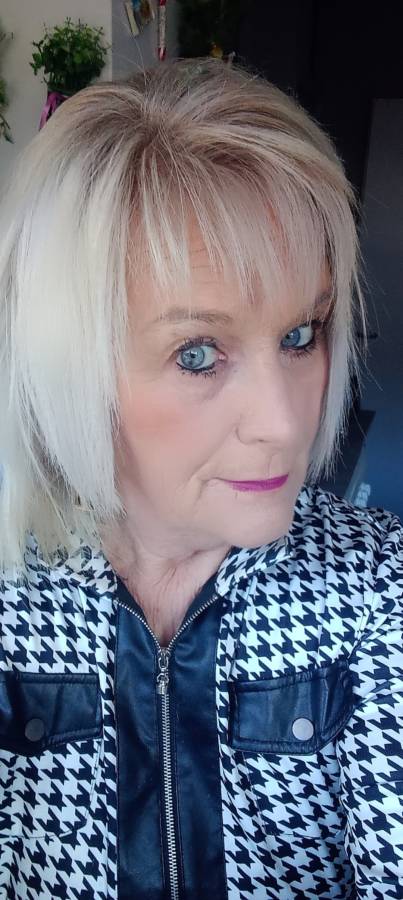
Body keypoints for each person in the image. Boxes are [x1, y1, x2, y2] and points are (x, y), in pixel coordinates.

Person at [0, 58, 402, 900]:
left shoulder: (375, 587)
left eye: (301, 334)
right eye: (196, 354)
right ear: (69, 368)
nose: (285, 423)